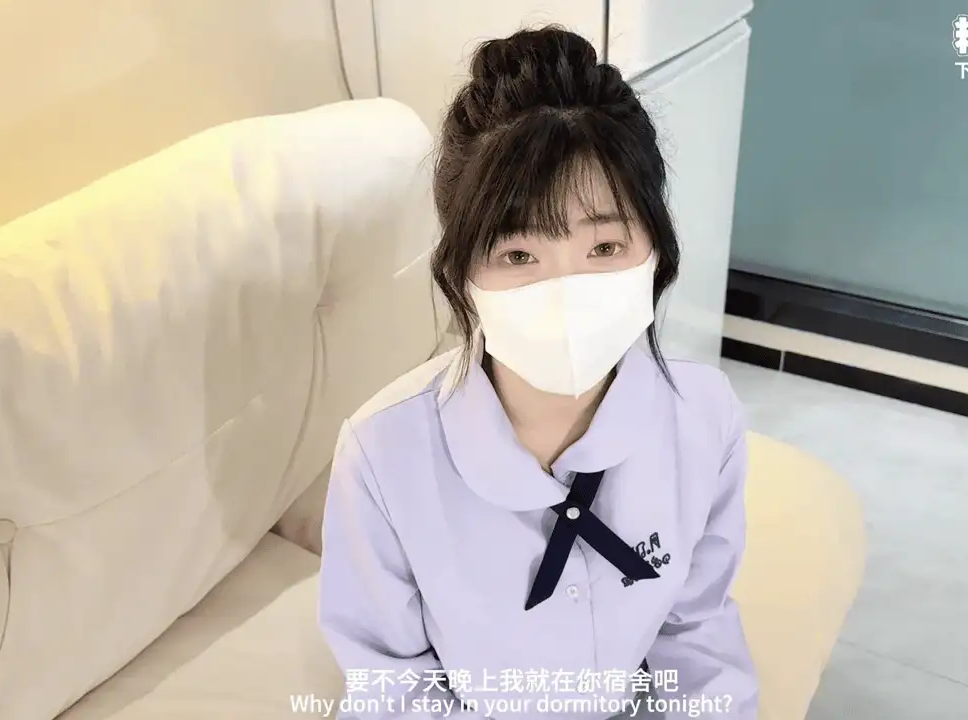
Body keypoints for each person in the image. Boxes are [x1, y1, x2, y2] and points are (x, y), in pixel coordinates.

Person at [318, 26, 757, 720]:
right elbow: (393, 690)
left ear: (656, 249)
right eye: (519, 255)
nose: (565, 289)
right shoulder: (382, 453)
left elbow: (696, 632)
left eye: (604, 246)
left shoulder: (705, 418)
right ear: (463, 269)